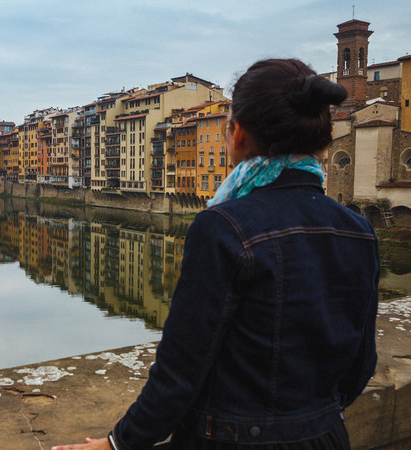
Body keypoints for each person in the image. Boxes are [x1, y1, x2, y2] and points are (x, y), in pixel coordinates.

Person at [53, 59, 379, 449]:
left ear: (237, 134)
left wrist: (119, 443)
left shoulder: (224, 227)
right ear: (322, 140)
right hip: (326, 437)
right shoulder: (359, 231)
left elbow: (181, 369)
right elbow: (361, 364)